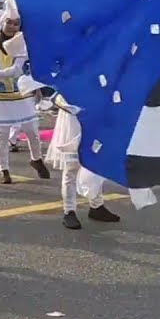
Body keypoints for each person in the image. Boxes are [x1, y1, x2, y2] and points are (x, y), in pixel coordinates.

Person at [0, 0, 50, 184]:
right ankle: (3, 169)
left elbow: (17, 69)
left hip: (20, 93)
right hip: (0, 95)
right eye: (9, 22)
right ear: (2, 23)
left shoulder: (21, 44)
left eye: (16, 23)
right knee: (2, 134)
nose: (12, 26)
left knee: (32, 132)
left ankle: (36, 159)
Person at [43, 93, 118, 229]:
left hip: (94, 122)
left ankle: (96, 205)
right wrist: (78, 108)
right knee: (71, 169)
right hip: (72, 124)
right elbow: (56, 97)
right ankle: (69, 210)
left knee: (95, 166)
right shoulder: (68, 73)